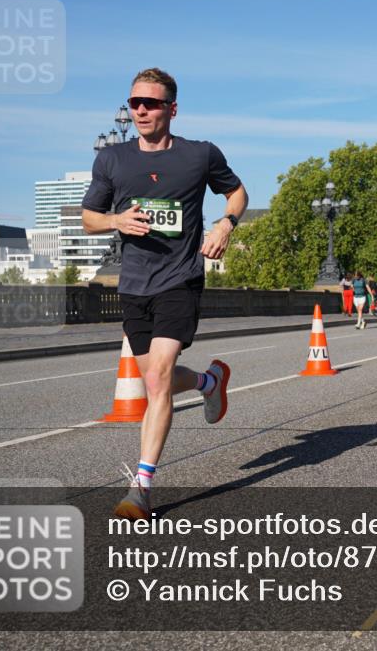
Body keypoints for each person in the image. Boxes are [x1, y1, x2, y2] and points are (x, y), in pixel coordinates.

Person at [81, 68, 245, 520]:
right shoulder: (113, 160)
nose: (140, 111)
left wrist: (225, 224)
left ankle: (142, 486)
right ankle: (210, 382)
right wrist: (115, 221)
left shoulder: (199, 155)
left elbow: (237, 192)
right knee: (155, 376)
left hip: (180, 279)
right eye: (134, 103)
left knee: (155, 380)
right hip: (134, 285)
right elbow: (89, 217)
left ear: (172, 109)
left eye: (150, 103)